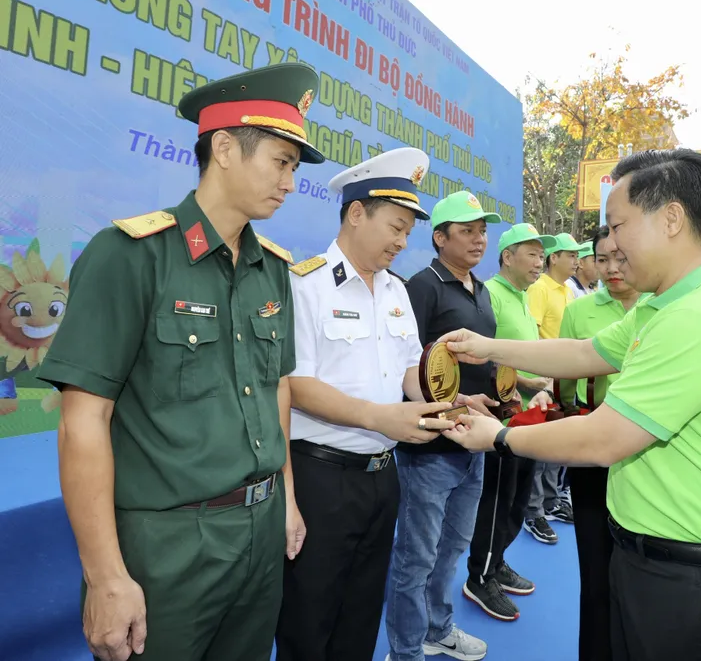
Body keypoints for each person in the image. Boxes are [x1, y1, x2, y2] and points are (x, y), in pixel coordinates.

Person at [438, 149, 701, 661]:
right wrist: (489, 347)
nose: (610, 246)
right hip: (653, 563)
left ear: (671, 218)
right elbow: (585, 352)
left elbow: (607, 438)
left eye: (619, 226)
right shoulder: (664, 304)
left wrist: (497, 436)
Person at [34, 63, 325, 661]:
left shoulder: (272, 268)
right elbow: (81, 422)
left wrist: (287, 498)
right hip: (167, 545)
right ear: (223, 147)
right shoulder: (132, 257)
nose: (291, 182)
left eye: (295, 167)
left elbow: (275, 394)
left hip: (260, 530)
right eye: (281, 161)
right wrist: (107, 577)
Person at [275, 148, 473, 660]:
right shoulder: (305, 284)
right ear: (356, 212)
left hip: (384, 476)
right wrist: (377, 417)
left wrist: (443, 403)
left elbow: (412, 369)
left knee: (362, 613)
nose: (402, 241)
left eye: (408, 230)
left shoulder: (397, 292)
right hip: (322, 479)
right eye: (396, 226)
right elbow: (294, 383)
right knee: (308, 615)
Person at [384, 191, 502, 661]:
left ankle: (437, 629)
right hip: (429, 450)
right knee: (416, 558)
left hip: (473, 443)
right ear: (439, 237)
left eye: (482, 231)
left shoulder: (484, 289)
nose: (478, 240)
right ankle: (406, 649)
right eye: (467, 231)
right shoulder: (422, 286)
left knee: (452, 549)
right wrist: (444, 408)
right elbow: (405, 366)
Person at [557, 225, 645, 661]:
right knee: (595, 567)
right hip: (591, 448)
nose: (611, 268)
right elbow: (566, 376)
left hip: (648, 454)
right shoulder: (580, 311)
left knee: (640, 574)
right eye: (602, 259)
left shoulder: (661, 309)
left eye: (621, 258)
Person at [465, 222, 556, 621]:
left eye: (542, 255)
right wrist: (527, 377)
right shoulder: (490, 295)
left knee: (518, 500)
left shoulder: (523, 297)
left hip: (530, 416)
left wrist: (538, 385)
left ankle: (498, 560)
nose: (541, 262)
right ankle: (480, 575)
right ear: (507, 257)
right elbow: (486, 358)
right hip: (501, 420)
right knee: (498, 500)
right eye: (533, 254)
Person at [524, 231, 584, 533]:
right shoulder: (540, 289)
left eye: (577, 256)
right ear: (554, 258)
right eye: (570, 255)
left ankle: (550, 502)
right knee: (540, 448)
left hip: (562, 379)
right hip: (543, 382)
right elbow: (532, 332)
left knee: (556, 449)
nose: (576, 261)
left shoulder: (568, 291)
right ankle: (533, 510)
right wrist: (542, 374)